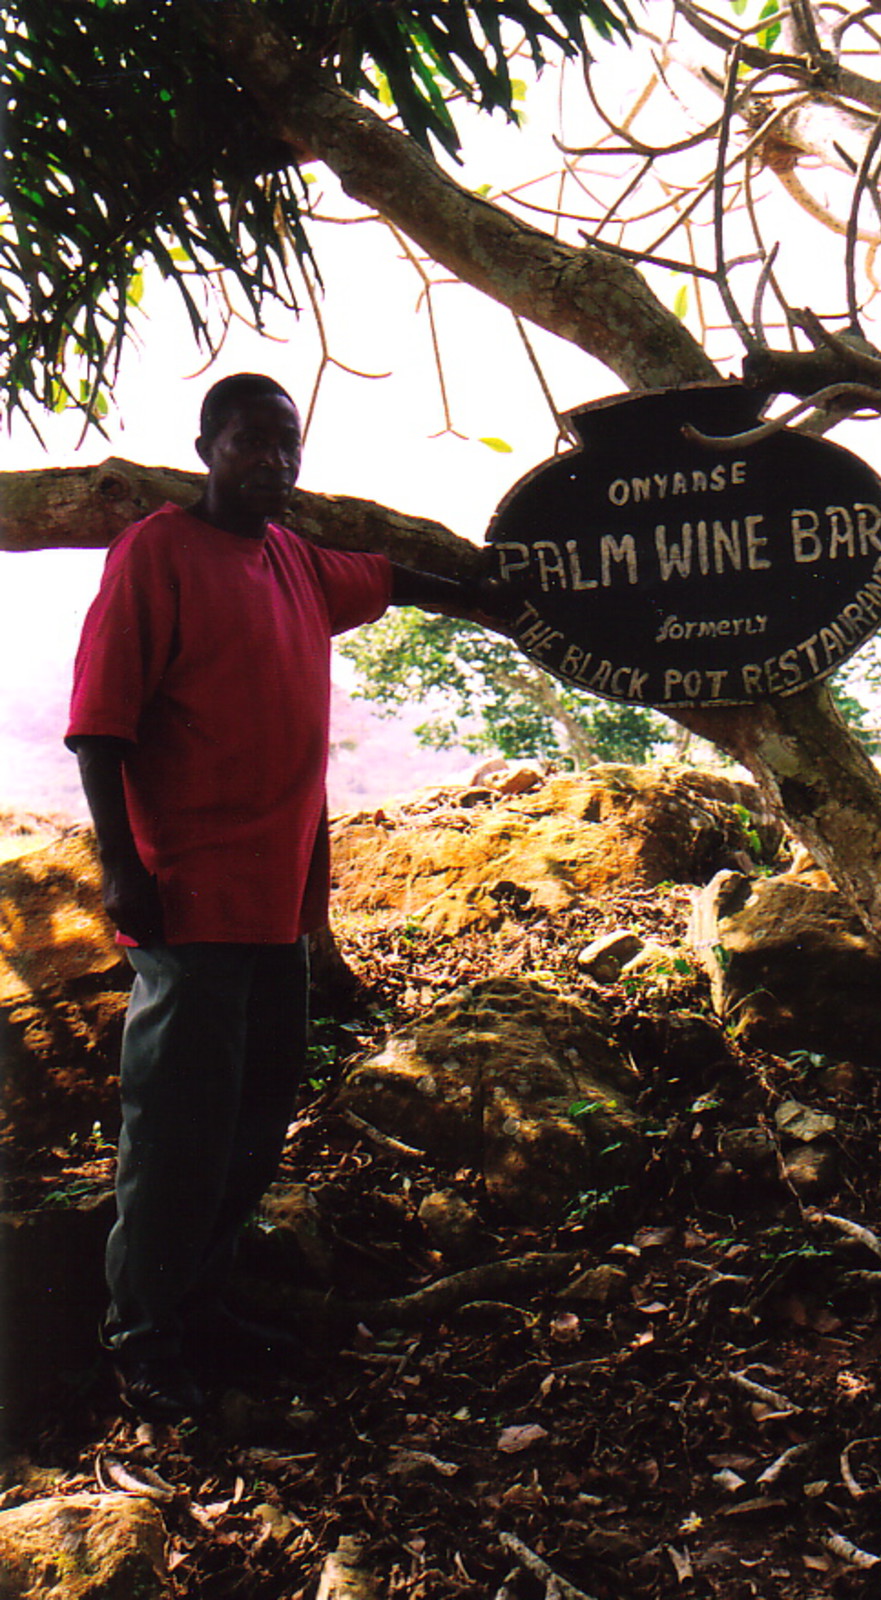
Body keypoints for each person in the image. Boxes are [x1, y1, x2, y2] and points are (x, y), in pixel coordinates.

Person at [67, 372, 495, 1422]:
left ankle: (203, 1306)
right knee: (175, 1132)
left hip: (278, 907)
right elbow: (99, 725)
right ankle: (144, 1342)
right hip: (188, 900)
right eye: (250, 442)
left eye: (286, 444)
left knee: (257, 1120)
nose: (272, 461)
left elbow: (392, 576)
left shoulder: (295, 559)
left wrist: (495, 594)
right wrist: (123, 866)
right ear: (206, 447)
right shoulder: (157, 554)